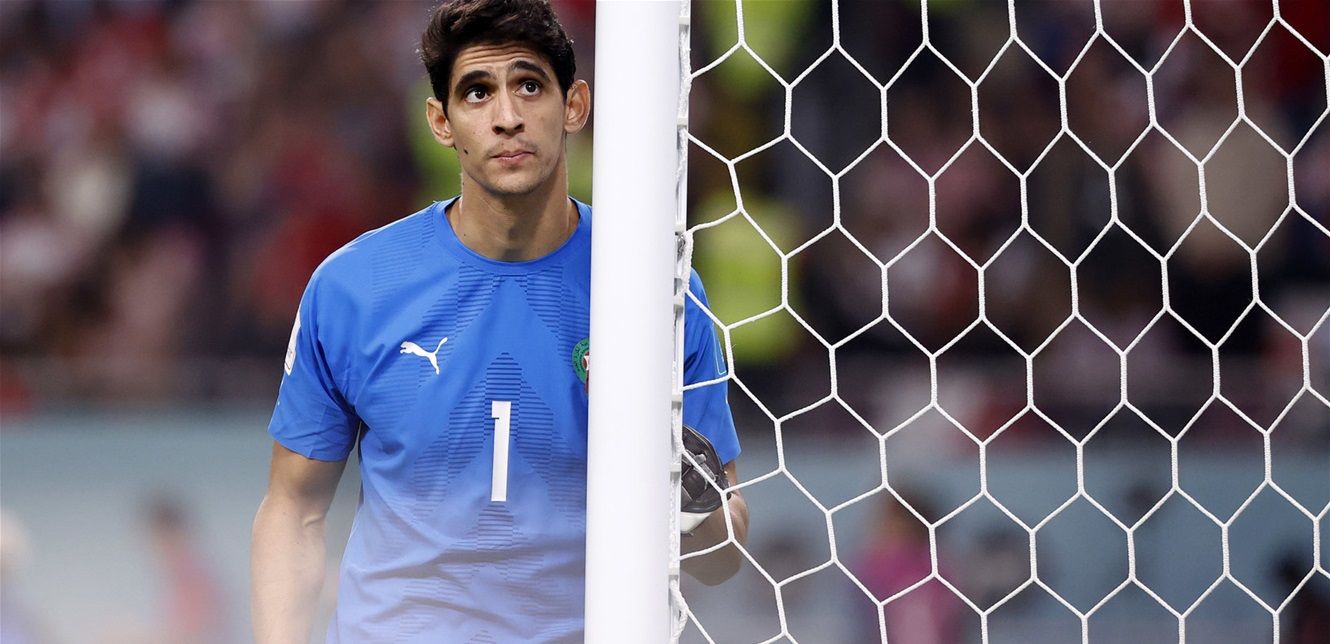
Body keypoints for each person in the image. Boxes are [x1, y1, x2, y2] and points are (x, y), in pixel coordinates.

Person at [249, 1, 748, 641]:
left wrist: (685, 488)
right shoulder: (354, 287)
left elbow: (721, 559)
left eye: (529, 86)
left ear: (575, 106)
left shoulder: (654, 290)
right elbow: (294, 510)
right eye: (477, 92)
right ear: (442, 122)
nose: (507, 116)